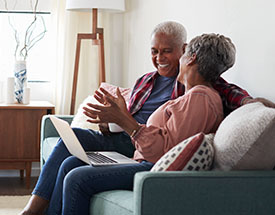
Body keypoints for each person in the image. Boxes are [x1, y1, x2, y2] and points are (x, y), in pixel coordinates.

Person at [20, 21, 265, 215]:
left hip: (147, 160)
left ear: (188, 56)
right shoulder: (156, 83)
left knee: (76, 175)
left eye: (169, 52)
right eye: (155, 51)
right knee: (70, 161)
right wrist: (110, 119)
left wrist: (250, 103)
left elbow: (163, 149)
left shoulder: (201, 95)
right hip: (136, 148)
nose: (161, 57)